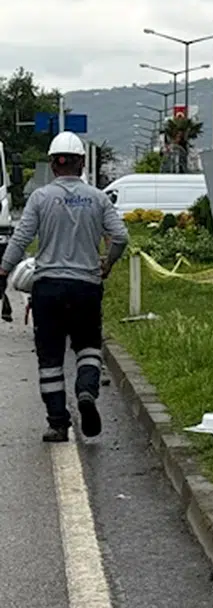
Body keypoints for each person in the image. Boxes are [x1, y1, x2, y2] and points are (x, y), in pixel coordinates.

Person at [0, 132, 129, 442]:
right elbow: (121, 236)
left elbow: (20, 239)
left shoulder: (40, 198)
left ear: (52, 164)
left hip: (48, 289)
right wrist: (107, 263)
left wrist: (3, 269)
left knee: (50, 357)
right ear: (82, 164)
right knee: (88, 346)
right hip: (86, 286)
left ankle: (58, 422)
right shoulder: (98, 199)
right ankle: (86, 391)